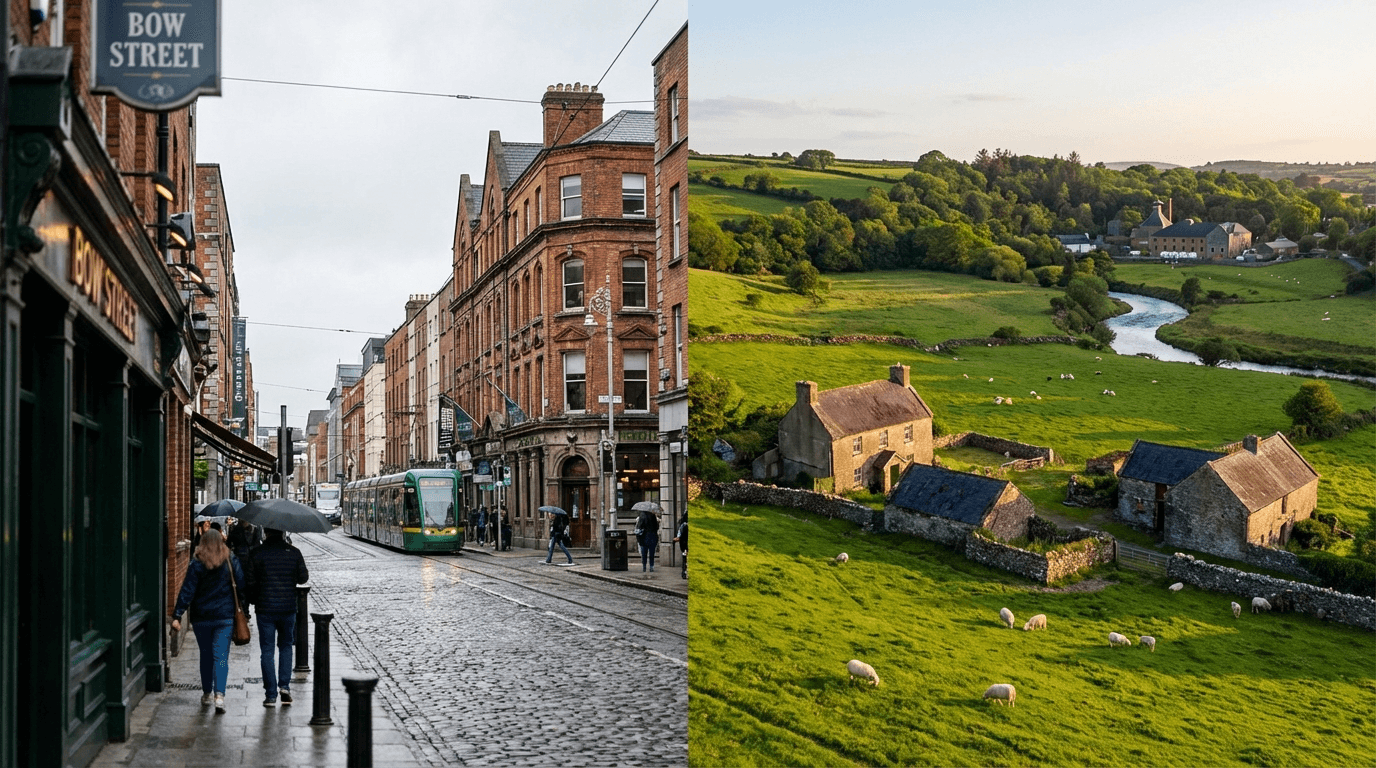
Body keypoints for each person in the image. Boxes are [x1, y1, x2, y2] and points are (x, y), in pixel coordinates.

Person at [170, 529, 247, 714]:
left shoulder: (197, 562)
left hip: (202, 618)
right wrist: (243, 607)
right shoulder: (230, 559)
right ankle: (219, 696)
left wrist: (178, 614)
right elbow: (241, 584)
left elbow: (187, 590)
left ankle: (206, 693)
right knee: (220, 657)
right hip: (224, 617)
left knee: (206, 656)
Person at [246, 528, 309, 707]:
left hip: (265, 608)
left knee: (267, 650)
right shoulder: (294, 552)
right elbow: (303, 578)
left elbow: (249, 581)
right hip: (288, 607)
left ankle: (271, 695)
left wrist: (253, 599)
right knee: (286, 647)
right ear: (282, 532)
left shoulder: (257, 553)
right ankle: (285, 686)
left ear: (265, 532)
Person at [635, 506, 660, 573]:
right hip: (652, 537)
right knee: (652, 553)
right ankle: (651, 566)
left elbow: (639, 527)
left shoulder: (642, 516)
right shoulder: (653, 516)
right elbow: (656, 527)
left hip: (644, 537)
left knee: (644, 553)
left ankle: (644, 566)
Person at [673, 513, 688, 579]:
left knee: (685, 560)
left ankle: (684, 573)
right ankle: (684, 572)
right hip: (685, 545)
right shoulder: (684, 526)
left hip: (684, 545)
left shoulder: (683, 525)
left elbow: (679, 536)